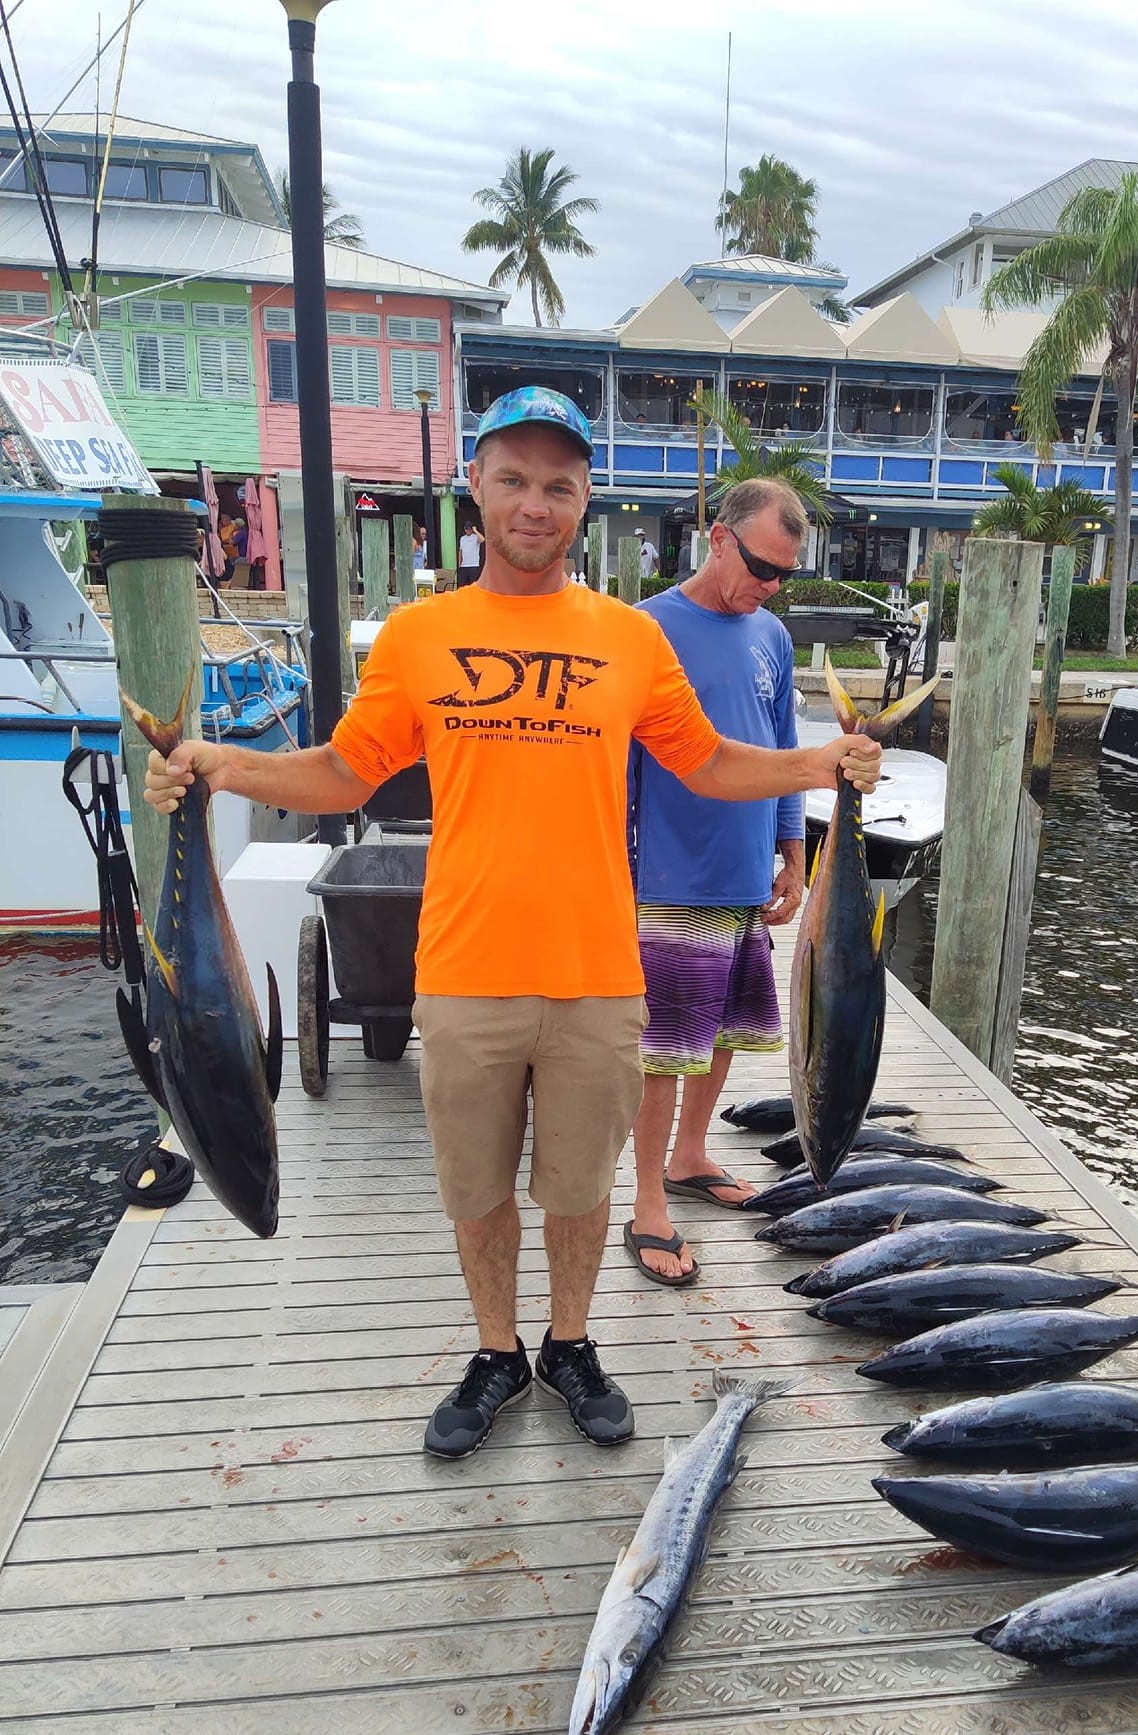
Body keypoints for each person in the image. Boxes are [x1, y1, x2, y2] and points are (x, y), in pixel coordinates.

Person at [141, 385, 881, 1463]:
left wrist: (819, 764)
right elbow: (343, 768)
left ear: (585, 502)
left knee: (580, 1194)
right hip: (466, 970)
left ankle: (570, 1343)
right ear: (476, 488)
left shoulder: (629, 640)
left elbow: (709, 761)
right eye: (516, 480)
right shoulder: (421, 633)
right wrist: (219, 762)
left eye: (561, 485)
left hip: (595, 975)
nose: (537, 504)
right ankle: (497, 1351)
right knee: (478, 1192)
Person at [625, 479, 807, 1284]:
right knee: (664, 1052)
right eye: (763, 566)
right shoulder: (645, 629)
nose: (770, 586)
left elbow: (785, 744)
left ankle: (692, 1155)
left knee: (726, 1034)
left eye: (785, 575)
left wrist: (794, 850)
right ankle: (645, 1203)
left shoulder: (771, 634)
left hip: (744, 877)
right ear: (718, 538)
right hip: (669, 875)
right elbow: (618, 767)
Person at [457, 521, 484, 587]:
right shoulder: (462, 538)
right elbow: (460, 551)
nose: (467, 530)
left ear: (471, 529)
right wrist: (459, 562)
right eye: (466, 529)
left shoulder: (475, 537)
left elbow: (482, 539)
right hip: (464, 566)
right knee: (463, 586)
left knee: (474, 585)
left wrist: (475, 531)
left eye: (469, 529)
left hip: (474, 565)